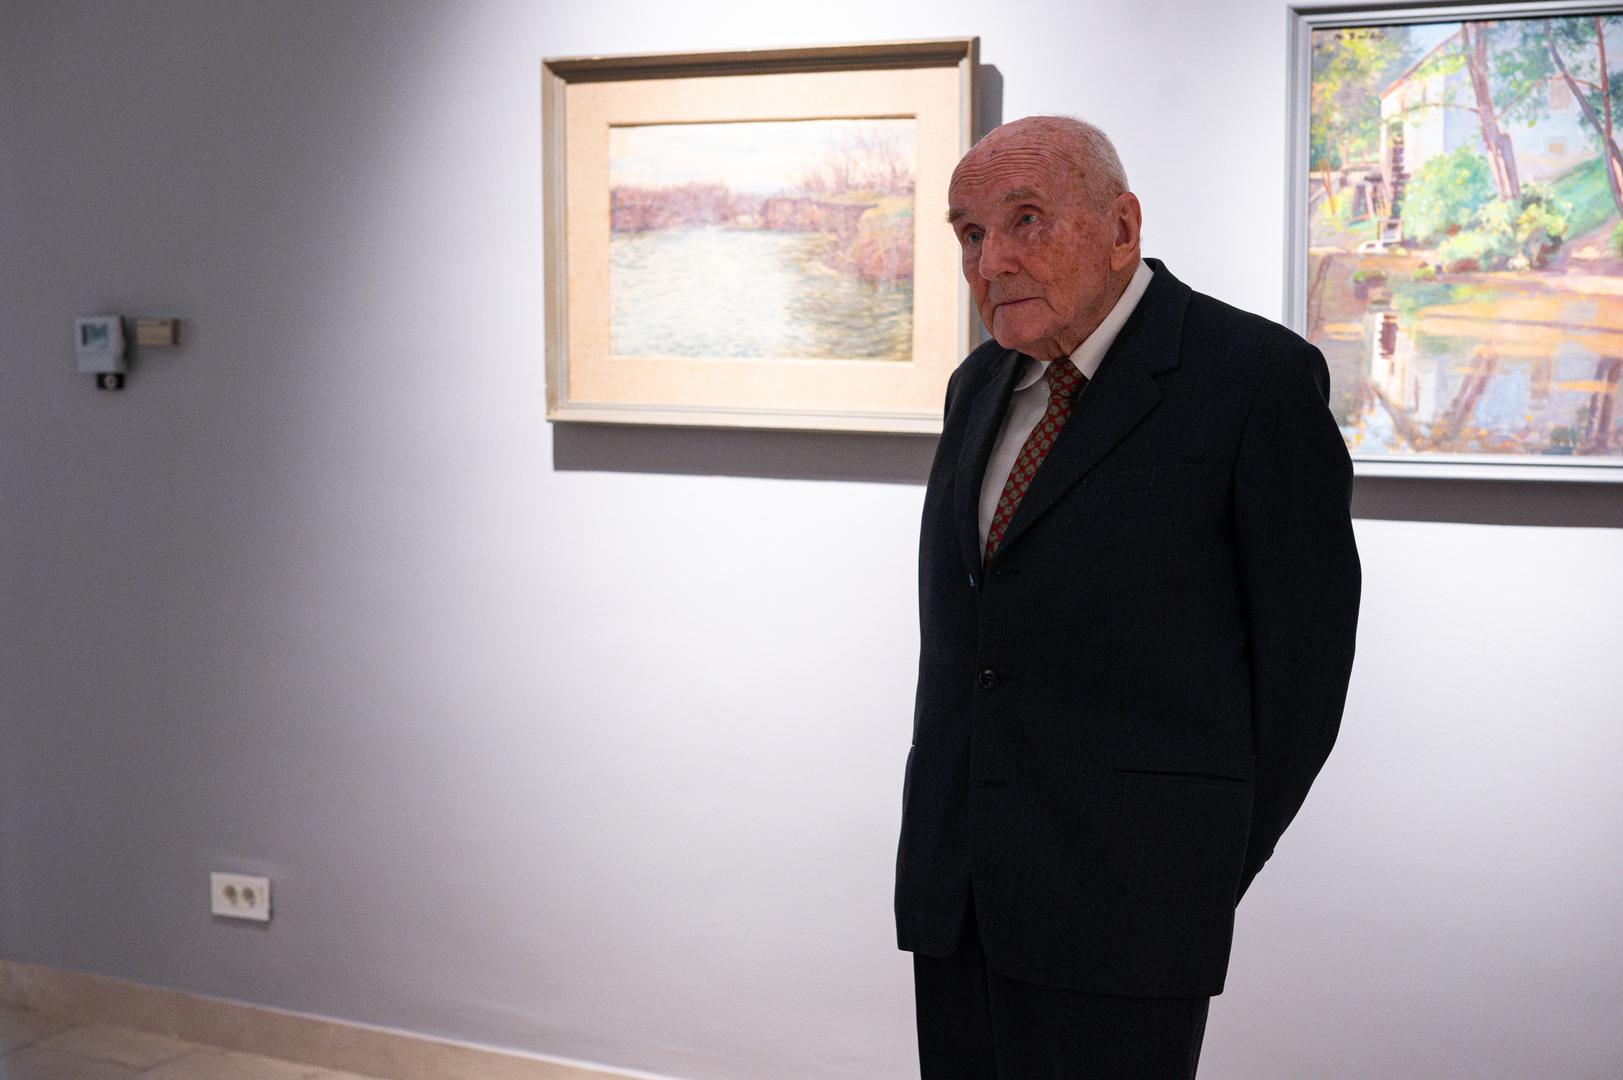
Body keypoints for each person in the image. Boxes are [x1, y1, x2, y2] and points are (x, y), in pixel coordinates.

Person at [893, 115, 1361, 1077]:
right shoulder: (978, 384)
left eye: (1025, 220)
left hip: (1132, 898)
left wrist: (1192, 863)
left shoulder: (1253, 380)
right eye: (970, 233)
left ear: (1119, 228)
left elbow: (1304, 676)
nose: (991, 261)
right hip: (959, 887)